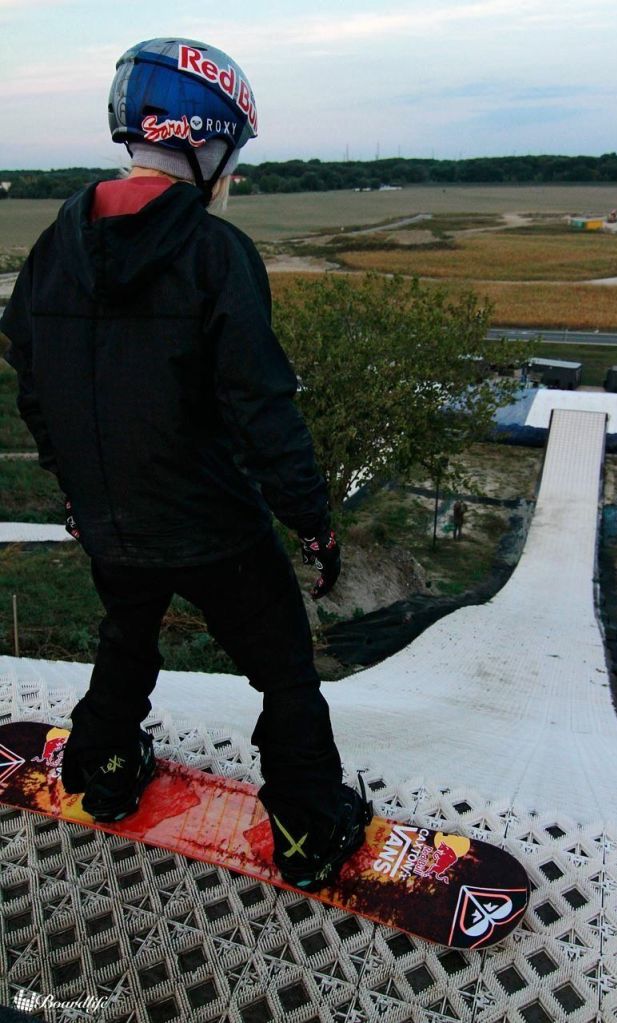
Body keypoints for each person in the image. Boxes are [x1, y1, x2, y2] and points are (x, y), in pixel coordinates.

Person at [0, 37, 370, 891]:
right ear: (205, 138)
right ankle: (310, 826)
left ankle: (103, 772)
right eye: (233, 148)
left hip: (110, 519)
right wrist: (313, 524)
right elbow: (263, 410)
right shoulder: (215, 254)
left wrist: (76, 487)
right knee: (284, 670)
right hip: (214, 526)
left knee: (128, 634)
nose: (232, 168)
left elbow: (33, 382)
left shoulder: (53, 248)